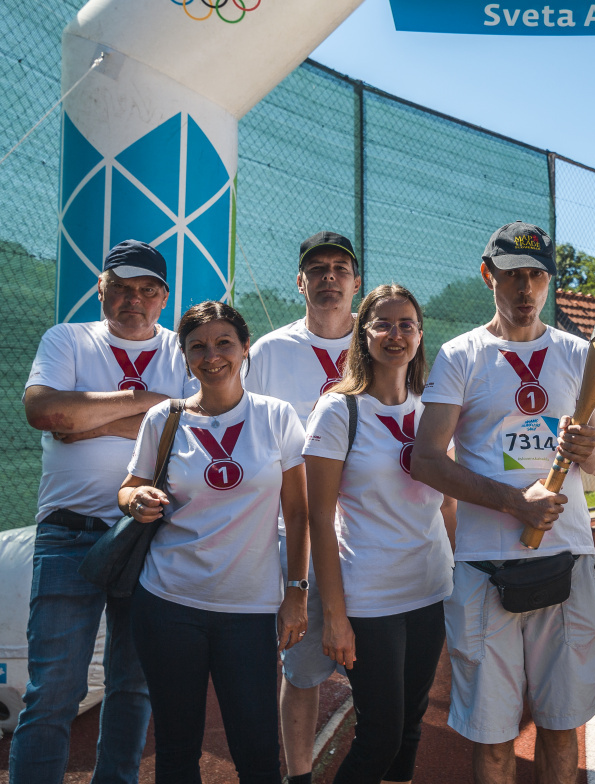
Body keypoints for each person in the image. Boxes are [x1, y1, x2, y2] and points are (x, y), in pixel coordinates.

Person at [410, 221, 595, 784]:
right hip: (485, 569)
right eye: (512, 275)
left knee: (561, 727)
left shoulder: (581, 354)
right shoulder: (460, 355)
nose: (525, 288)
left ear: (549, 280)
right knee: (493, 738)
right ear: (487, 275)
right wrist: (514, 503)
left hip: (566, 560)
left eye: (536, 275)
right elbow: (426, 460)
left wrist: (589, 448)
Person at [13, 239, 191, 784]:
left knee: (133, 685)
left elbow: (193, 431)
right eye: (121, 287)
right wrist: (151, 403)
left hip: (150, 535)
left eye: (147, 290)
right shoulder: (67, 338)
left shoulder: (183, 350)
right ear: (100, 289)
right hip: (68, 532)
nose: (133, 299)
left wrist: (88, 420)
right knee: (54, 689)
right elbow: (45, 412)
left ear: (164, 297)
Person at [119, 301, 310, 783]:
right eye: (197, 347)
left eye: (224, 343)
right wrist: (135, 499)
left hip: (249, 609)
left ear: (245, 348)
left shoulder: (276, 416)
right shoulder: (165, 417)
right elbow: (129, 486)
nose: (212, 356)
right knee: (176, 749)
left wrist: (296, 591)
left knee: (258, 752)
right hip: (168, 601)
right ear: (185, 356)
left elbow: (298, 512)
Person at [303, 284, 456, 784]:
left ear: (420, 335)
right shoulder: (337, 410)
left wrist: (458, 577)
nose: (396, 334)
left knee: (410, 727)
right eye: (383, 324)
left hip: (430, 589)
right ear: (362, 334)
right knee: (380, 734)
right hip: (370, 599)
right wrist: (335, 615)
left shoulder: (433, 407)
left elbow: (447, 503)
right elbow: (319, 519)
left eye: (406, 324)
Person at [244, 231, 362, 784]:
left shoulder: (382, 341)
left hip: (370, 534)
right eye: (317, 269)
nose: (329, 277)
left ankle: (375, 766)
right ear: (300, 282)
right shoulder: (269, 353)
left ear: (356, 282)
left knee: (376, 670)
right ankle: (299, 776)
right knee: (302, 669)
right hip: (298, 538)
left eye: (340, 267)